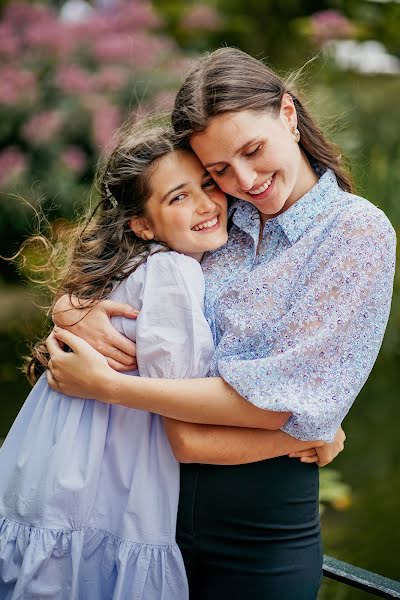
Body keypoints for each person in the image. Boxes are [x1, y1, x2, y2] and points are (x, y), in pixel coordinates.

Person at [46, 48, 396, 599]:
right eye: (218, 170)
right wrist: (71, 309)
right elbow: (114, 267)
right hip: (143, 515)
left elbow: (269, 406)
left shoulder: (355, 234)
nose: (246, 179)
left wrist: (111, 386)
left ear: (287, 114)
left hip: (260, 538)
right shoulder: (218, 217)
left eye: (253, 151)